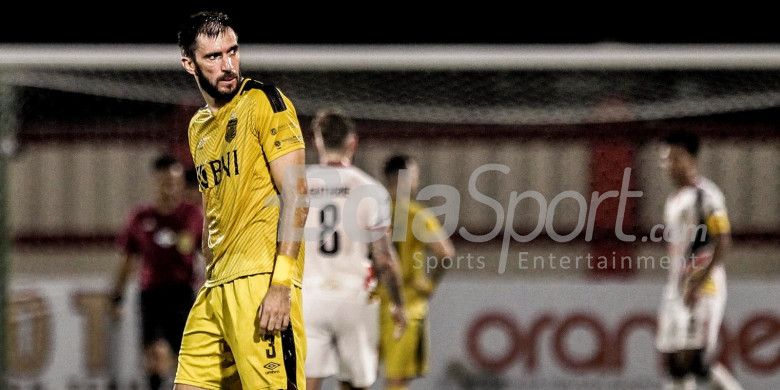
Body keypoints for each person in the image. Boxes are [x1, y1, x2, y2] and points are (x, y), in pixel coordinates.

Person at [174, 11, 309, 390]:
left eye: (232, 52)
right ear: (189, 63)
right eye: (213, 57)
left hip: (261, 283)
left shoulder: (265, 103)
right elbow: (211, 204)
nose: (228, 65)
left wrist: (281, 285)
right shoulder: (197, 128)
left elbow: (297, 195)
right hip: (215, 289)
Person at [302, 109, 407, 390]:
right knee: (356, 383)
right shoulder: (370, 189)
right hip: (353, 297)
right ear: (353, 143)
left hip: (308, 297)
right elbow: (384, 258)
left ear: (317, 142)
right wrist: (398, 303)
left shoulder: (298, 184)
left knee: (307, 381)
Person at [656, 130, 742, 390]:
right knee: (674, 363)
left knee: (696, 362)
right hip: (678, 287)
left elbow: (723, 239)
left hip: (703, 287)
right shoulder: (674, 200)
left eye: (675, 158)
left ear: (691, 159)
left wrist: (698, 281)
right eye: (665, 159)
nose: (669, 165)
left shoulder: (707, 195)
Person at [111, 154, 203, 390]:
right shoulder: (140, 217)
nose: (170, 188)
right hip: (151, 294)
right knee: (155, 354)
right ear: (155, 181)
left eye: (175, 182)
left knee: (184, 357)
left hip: (182, 294)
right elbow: (128, 259)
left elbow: (208, 253)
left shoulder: (192, 215)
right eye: (165, 182)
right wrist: (117, 296)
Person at [380, 155, 455, 390]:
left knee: (356, 376)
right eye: (414, 175)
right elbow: (446, 253)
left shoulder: (372, 210)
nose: (417, 180)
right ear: (405, 178)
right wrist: (429, 285)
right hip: (406, 304)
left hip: (371, 301)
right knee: (398, 379)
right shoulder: (416, 214)